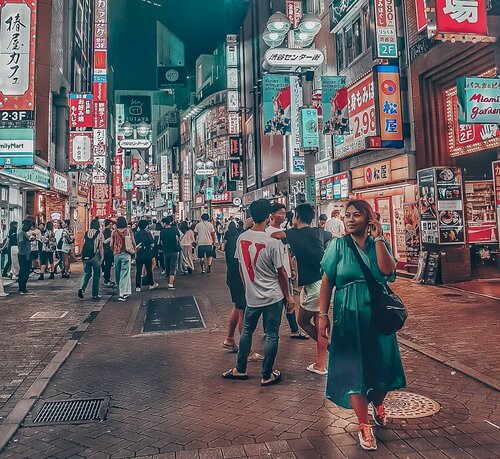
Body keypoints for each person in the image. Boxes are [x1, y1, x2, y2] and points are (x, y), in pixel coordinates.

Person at [318, 199, 406, 451]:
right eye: (348, 215)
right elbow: (327, 281)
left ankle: (378, 402)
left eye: (357, 215)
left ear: (370, 219)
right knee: (354, 371)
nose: (351, 219)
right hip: (347, 317)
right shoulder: (338, 245)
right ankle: (363, 425)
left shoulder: (379, 244)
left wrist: (379, 240)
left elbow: (388, 271)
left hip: (377, 317)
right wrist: (323, 315)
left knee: (382, 368)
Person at [222, 199, 295, 386]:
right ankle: (267, 374)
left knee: (247, 330)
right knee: (272, 334)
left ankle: (240, 368)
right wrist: (288, 297)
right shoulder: (272, 242)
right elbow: (281, 272)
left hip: (252, 296)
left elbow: (240, 267)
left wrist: (248, 287)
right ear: (269, 216)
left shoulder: (242, 238)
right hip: (273, 296)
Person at [271, 203, 329, 375]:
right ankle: (320, 364)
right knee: (321, 323)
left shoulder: (292, 234)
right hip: (325, 282)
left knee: (302, 321)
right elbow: (336, 236)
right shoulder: (320, 232)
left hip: (314, 285)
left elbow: (274, 234)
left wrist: (289, 227)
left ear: (296, 216)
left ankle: (328, 348)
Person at [266, 203, 309, 340]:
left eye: (284, 213)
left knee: (290, 303)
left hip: (286, 274)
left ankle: (294, 330)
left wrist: (291, 268)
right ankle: (270, 332)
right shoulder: (267, 233)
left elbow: (288, 252)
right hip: (274, 275)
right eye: (280, 213)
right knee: (274, 305)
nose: (283, 216)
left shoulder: (287, 231)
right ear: (271, 215)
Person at [111, 216, 135, 301]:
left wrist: (114, 251)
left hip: (117, 254)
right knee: (125, 274)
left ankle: (122, 291)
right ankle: (122, 293)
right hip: (126, 254)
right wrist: (134, 251)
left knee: (117, 273)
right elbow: (133, 242)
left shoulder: (114, 232)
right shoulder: (128, 231)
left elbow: (111, 244)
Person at [78, 218, 103, 300]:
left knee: (86, 273)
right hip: (95, 256)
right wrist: (102, 256)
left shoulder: (85, 233)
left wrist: (81, 255)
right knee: (96, 275)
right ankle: (95, 294)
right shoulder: (99, 234)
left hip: (85, 256)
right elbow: (100, 246)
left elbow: (82, 244)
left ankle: (82, 289)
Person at [134, 219, 158, 292]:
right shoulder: (148, 233)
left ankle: (138, 286)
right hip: (147, 253)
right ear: (146, 225)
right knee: (149, 269)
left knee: (138, 270)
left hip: (139, 254)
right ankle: (151, 284)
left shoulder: (136, 234)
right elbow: (152, 244)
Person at [159, 216, 180, 290]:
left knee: (167, 267)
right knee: (173, 267)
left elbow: (161, 242)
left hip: (166, 251)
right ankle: (171, 284)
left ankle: (168, 282)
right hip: (174, 251)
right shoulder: (175, 230)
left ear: (164, 223)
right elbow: (178, 239)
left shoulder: (162, 232)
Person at [17, 220, 34, 295]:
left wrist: (30, 240)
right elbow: (21, 244)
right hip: (23, 254)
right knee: (24, 271)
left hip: (25, 253)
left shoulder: (23, 233)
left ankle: (22, 287)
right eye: (30, 226)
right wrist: (26, 254)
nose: (30, 228)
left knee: (24, 271)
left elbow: (24, 242)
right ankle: (22, 288)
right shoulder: (21, 233)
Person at [101, 219, 115, 286]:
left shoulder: (105, 232)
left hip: (106, 251)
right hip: (107, 251)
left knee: (108, 265)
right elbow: (104, 241)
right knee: (108, 266)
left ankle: (107, 279)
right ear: (107, 225)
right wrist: (111, 238)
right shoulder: (107, 232)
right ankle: (107, 280)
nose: (111, 225)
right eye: (110, 224)